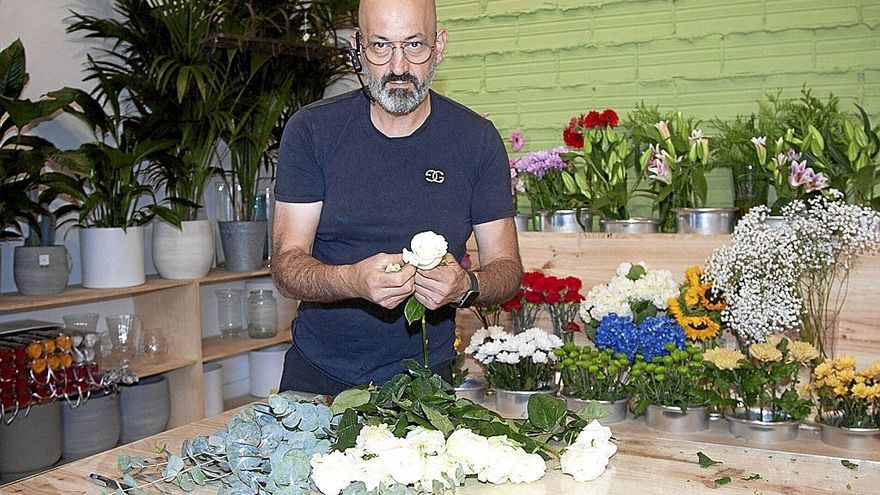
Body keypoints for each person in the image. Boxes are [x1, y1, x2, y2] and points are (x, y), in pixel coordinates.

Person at [271, 0, 523, 396]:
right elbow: (286, 267)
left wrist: (464, 285)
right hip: (317, 375)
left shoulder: (476, 141)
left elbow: (507, 268)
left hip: (425, 384)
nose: (399, 67)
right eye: (381, 46)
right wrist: (351, 280)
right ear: (358, 47)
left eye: (415, 45)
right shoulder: (312, 131)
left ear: (438, 47)